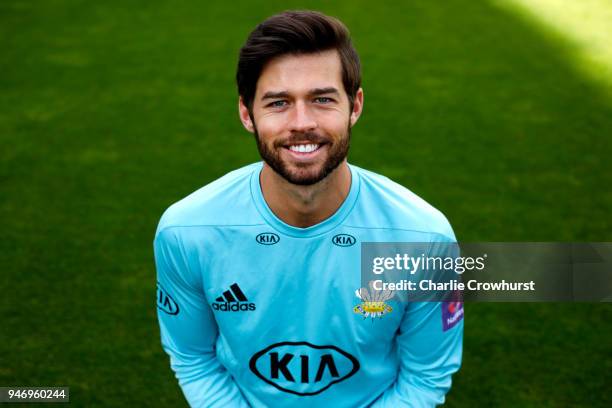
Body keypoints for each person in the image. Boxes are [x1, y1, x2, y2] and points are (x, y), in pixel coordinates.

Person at [154, 10, 463, 408]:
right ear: (248, 114)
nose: (302, 122)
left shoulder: (424, 238)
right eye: (279, 102)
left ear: (355, 106)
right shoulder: (187, 231)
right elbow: (193, 357)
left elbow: (426, 374)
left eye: (322, 99)